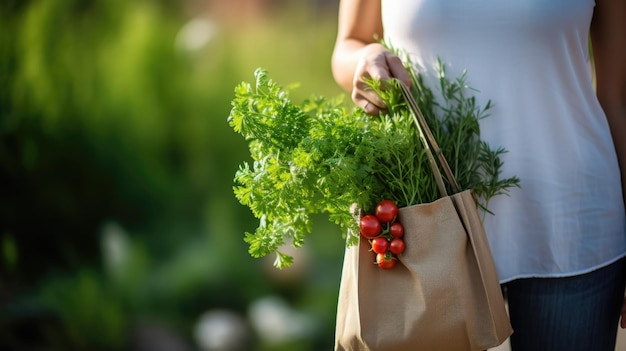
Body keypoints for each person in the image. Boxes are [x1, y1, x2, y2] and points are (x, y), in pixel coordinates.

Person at [331, 1, 626, 350]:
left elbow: (617, 97)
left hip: (569, 222)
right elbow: (348, 44)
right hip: (425, 220)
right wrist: (366, 58)